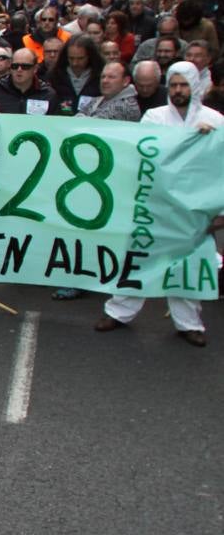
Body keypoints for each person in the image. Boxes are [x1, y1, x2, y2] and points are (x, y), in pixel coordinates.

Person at [95, 62, 222, 347]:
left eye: (184, 85)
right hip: (155, 203)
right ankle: (118, 313)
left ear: (196, 86)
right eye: (174, 85)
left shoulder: (215, 121)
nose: (178, 91)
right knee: (138, 260)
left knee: (185, 265)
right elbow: (146, 154)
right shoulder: (155, 117)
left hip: (194, 209)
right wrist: (189, 139)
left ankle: (190, 323)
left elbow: (220, 169)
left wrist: (220, 211)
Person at [0, 48, 56, 115]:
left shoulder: (47, 94)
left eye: (25, 66)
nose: (19, 70)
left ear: (35, 68)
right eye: (15, 66)